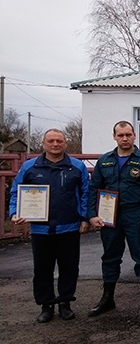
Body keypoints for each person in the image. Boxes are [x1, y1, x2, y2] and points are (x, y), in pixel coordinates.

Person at [9, 129, 90, 323]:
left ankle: (65, 303)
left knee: (69, 268)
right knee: (42, 269)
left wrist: (85, 218)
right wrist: (15, 212)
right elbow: (16, 192)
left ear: (65, 143)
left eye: (59, 141)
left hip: (69, 227)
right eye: (51, 141)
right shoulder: (30, 167)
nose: (55, 144)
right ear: (43, 143)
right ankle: (46, 305)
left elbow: (86, 194)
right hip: (41, 229)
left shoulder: (77, 167)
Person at [86, 121, 140, 317]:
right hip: (109, 215)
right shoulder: (104, 161)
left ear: (134, 135)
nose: (125, 139)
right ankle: (107, 298)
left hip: (136, 213)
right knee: (110, 257)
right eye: (120, 135)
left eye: (128, 135)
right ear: (114, 137)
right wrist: (92, 214)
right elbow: (94, 189)